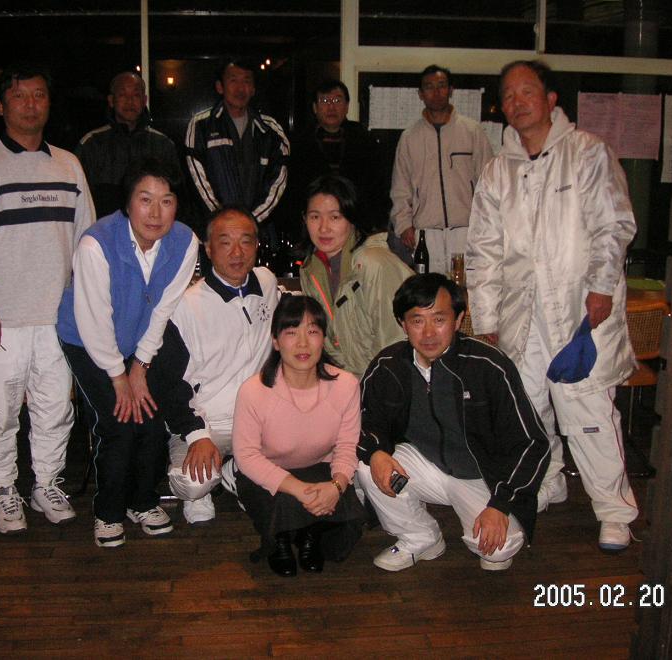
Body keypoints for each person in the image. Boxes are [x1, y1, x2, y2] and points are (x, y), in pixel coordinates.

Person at [466, 60, 639, 552]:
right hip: (521, 315)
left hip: (579, 311)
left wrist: (601, 286)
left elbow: (614, 225)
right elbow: (483, 252)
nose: (517, 102)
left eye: (527, 91)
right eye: (508, 95)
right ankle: (548, 481)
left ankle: (615, 511)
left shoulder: (587, 153)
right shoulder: (498, 170)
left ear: (551, 99)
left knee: (588, 411)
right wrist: (487, 319)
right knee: (527, 408)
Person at [0, 64, 95, 535]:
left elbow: (86, 242)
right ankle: (3, 489)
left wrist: (85, 305)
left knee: (55, 408)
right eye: (19, 96)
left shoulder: (69, 166)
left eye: (39, 95)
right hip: (2, 316)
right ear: (1, 106)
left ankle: (46, 484)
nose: (31, 104)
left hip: (57, 316)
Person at [356, 274, 550, 572]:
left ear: (458, 320)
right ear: (402, 324)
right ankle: (420, 537)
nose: (428, 333)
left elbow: (533, 443)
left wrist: (500, 503)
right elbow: (364, 421)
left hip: (482, 477)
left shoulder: (488, 365)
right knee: (367, 464)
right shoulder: (388, 366)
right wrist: (376, 451)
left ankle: (526, 502)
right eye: (417, 321)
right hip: (424, 465)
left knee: (497, 553)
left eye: (439, 319)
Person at [56, 158, 198, 547]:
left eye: (167, 201)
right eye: (145, 199)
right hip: (87, 340)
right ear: (127, 203)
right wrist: (119, 378)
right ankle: (108, 511)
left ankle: (143, 502)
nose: (156, 213)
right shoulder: (97, 244)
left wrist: (140, 367)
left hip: (140, 340)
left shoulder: (185, 242)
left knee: (150, 416)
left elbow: (162, 310)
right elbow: (94, 320)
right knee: (118, 421)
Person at [143, 206, 279, 525]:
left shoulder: (267, 283)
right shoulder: (185, 306)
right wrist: (197, 435)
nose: (237, 252)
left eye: (245, 241)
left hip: (257, 420)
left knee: (301, 461)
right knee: (193, 483)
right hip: (208, 420)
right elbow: (168, 383)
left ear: (257, 245)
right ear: (208, 248)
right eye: (225, 242)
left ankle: (235, 473)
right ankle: (211, 485)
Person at [232, 295, 366, 577]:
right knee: (282, 500)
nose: (303, 343)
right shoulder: (253, 391)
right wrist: (300, 490)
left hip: (319, 468)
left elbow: (347, 446)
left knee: (349, 516)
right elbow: (246, 456)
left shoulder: (346, 385)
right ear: (276, 341)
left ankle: (310, 535)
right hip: (269, 472)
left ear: (323, 339)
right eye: (292, 332)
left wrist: (336, 486)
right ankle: (280, 540)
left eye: (313, 332)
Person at [299, 175, 413, 377]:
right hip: (346, 382)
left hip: (386, 381)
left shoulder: (373, 264)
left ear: (352, 219)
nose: (323, 228)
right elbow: (327, 344)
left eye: (335, 217)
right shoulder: (310, 270)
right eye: (315, 217)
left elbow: (397, 343)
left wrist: (370, 387)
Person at [390, 65, 493, 275]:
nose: (436, 92)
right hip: (426, 234)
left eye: (441, 85)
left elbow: (489, 182)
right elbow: (400, 187)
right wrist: (403, 224)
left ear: (451, 90)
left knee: (470, 288)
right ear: (420, 94)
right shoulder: (410, 138)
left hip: (467, 230)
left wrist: (487, 224)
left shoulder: (472, 131)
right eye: (429, 87)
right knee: (430, 290)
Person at [185, 59, 289, 225]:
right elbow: (197, 180)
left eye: (246, 81)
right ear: (220, 87)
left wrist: (250, 222)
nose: (240, 88)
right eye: (233, 80)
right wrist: (225, 220)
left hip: (258, 229)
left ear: (253, 89)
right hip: (215, 228)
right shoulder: (201, 125)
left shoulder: (270, 130)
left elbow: (277, 182)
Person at [288, 79, 390, 239]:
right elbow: (293, 192)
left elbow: (378, 187)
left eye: (337, 100)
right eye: (324, 101)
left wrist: (375, 223)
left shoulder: (364, 140)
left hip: (359, 225)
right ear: (315, 108)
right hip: (313, 227)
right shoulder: (300, 143)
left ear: (347, 106)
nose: (331, 107)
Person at [75, 71, 181, 217]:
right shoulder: (92, 143)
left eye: (136, 95)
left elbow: (175, 195)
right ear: (111, 100)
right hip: (104, 227)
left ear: (144, 100)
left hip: (152, 225)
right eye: (123, 95)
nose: (130, 101)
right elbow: (78, 197)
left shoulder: (163, 144)